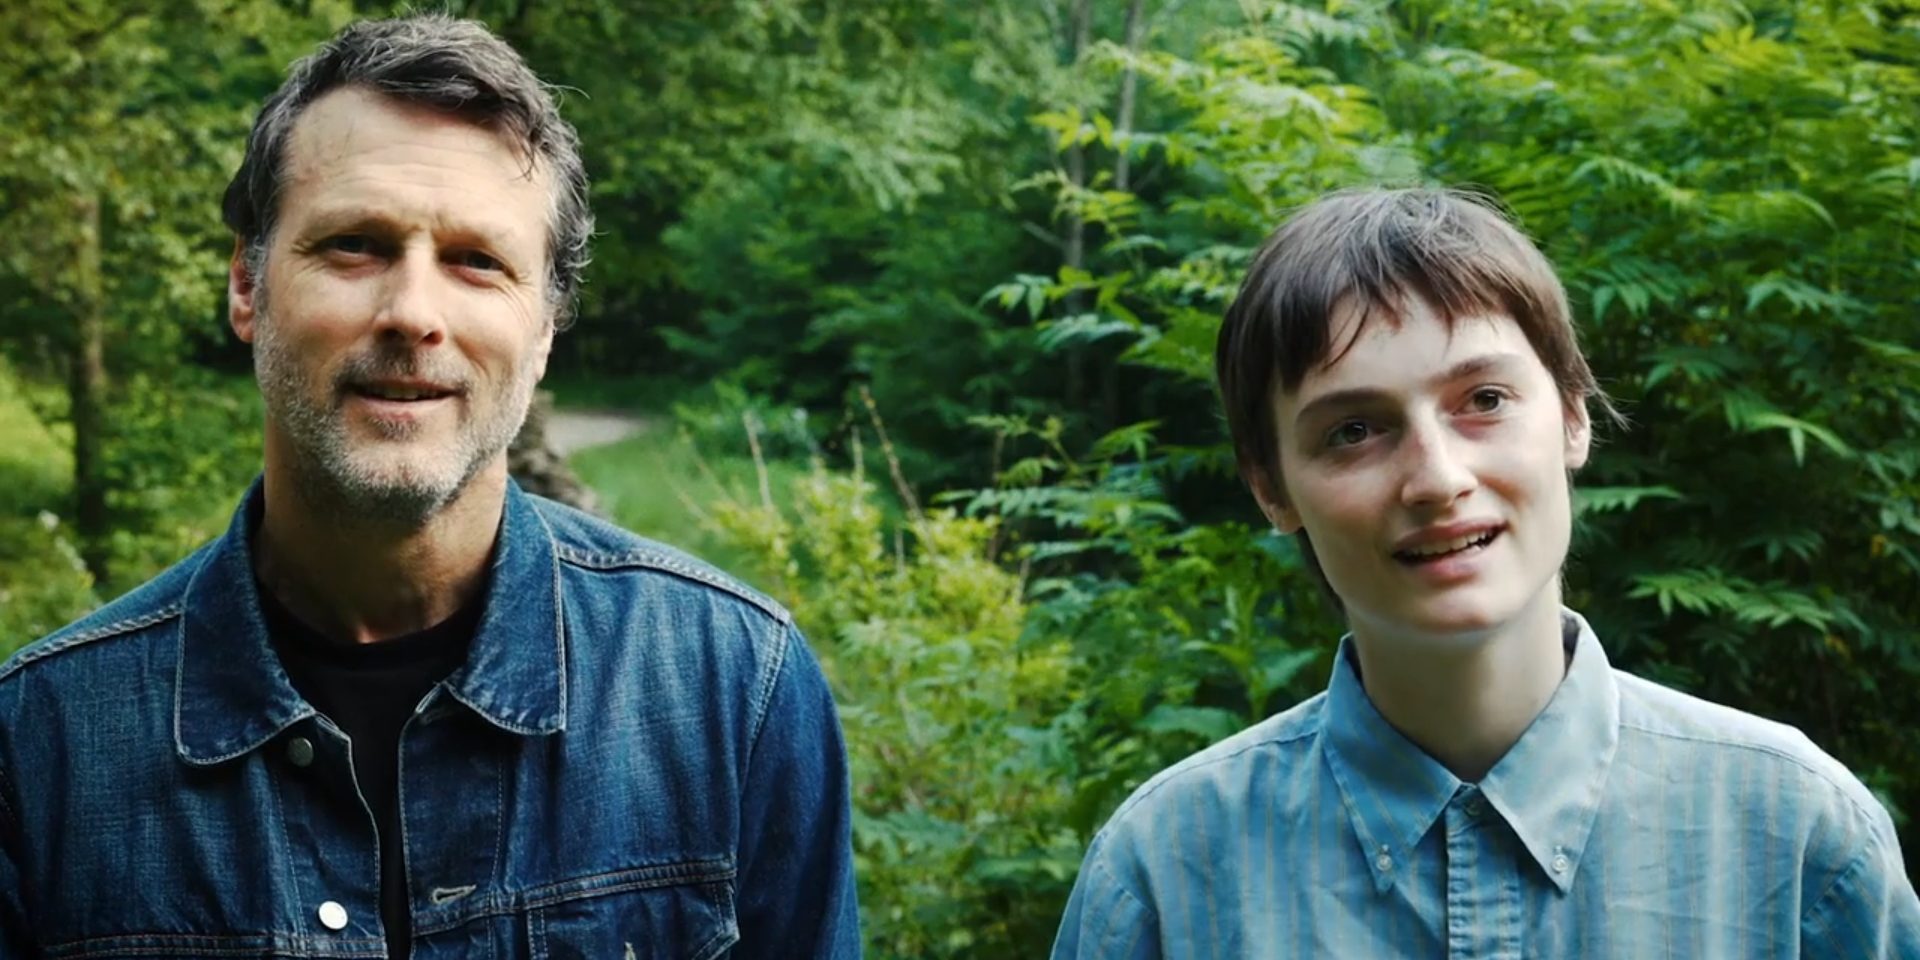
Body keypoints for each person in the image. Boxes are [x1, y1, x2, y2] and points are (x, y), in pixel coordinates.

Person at [0, 15, 859, 959]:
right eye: (354, 245)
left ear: (544, 328)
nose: (413, 312)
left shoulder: (734, 690)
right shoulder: (39, 748)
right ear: (248, 285)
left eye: (477, 262)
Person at [1050, 188, 1920, 958]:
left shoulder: (1799, 841)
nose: (1436, 479)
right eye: (1353, 431)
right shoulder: (1164, 875)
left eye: (1485, 400)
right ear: (1271, 489)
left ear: (1573, 415)